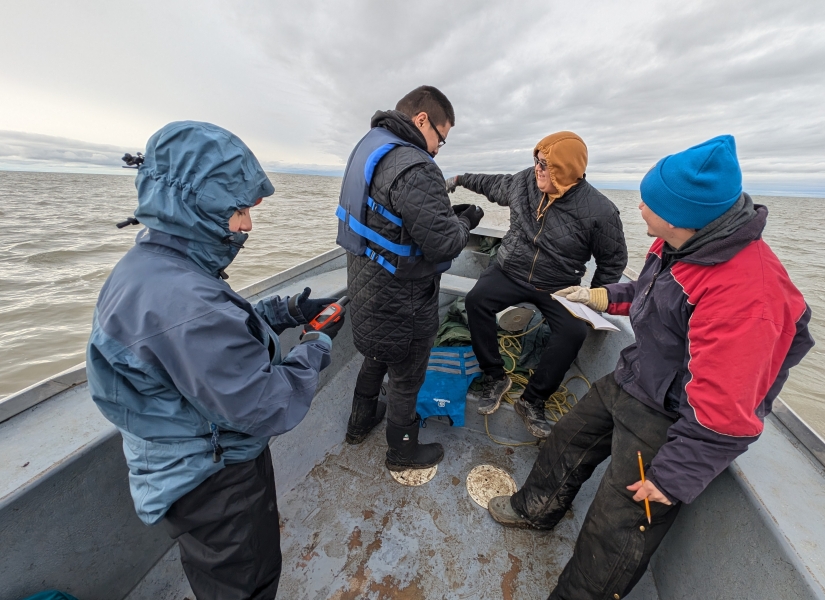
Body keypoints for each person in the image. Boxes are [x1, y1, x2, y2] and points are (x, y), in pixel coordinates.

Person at [486, 135, 815, 599]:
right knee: (566, 440)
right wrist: (603, 296)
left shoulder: (747, 296)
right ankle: (534, 509)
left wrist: (672, 478)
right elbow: (651, 293)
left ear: (679, 214)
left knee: (615, 524)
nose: (638, 206)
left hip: (675, 416)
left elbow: (727, 411)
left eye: (649, 202)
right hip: (638, 377)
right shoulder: (680, 241)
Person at [86, 121, 342, 600]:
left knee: (217, 576)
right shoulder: (183, 302)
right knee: (246, 582)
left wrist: (280, 313)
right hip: (215, 479)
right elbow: (266, 404)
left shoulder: (153, 265)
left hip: (177, 462)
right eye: (238, 210)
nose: (247, 224)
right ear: (191, 202)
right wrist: (315, 343)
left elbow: (209, 341)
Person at [336, 86, 483, 471]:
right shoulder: (417, 167)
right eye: (441, 137)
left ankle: (359, 422)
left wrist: (443, 214)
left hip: (366, 287)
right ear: (422, 121)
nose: (437, 149)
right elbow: (445, 245)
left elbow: (395, 219)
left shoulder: (372, 149)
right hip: (404, 301)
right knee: (405, 378)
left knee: (375, 355)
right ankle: (402, 451)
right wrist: (466, 219)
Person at [446, 131, 627, 438]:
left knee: (573, 332)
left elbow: (613, 260)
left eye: (546, 164)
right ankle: (495, 375)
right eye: (536, 160)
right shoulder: (524, 182)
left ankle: (533, 400)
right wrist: (460, 178)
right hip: (510, 269)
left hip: (558, 284)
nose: (537, 169)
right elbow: (491, 184)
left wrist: (597, 300)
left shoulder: (601, 211)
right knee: (477, 301)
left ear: (567, 170)